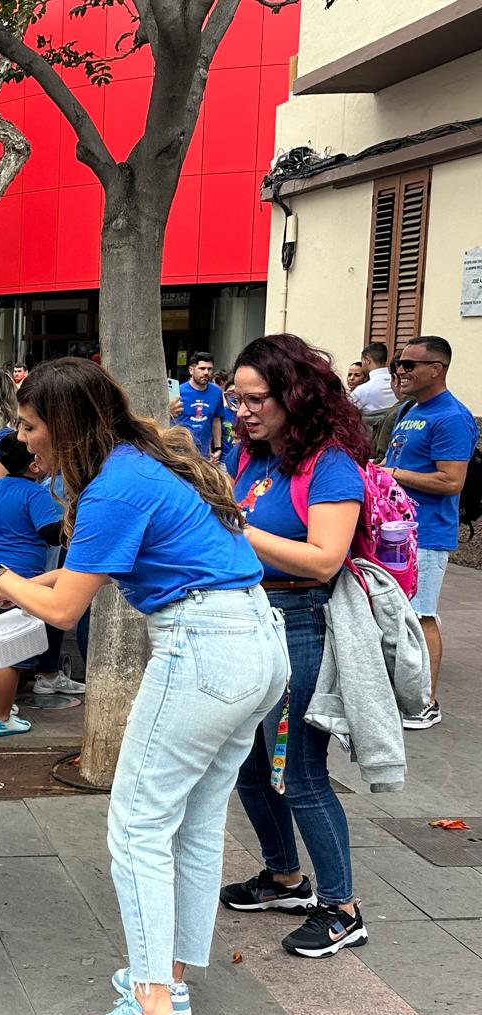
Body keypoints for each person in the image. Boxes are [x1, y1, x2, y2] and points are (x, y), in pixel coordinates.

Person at [0, 357, 287, 1015]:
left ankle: (152, 1010)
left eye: (30, 426)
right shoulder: (142, 465)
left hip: (202, 650)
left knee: (138, 828)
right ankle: (171, 981)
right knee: (195, 824)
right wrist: (14, 582)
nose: (23, 440)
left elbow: (65, 610)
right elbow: (83, 576)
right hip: (255, 644)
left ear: (66, 425)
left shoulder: (111, 488)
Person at [216, 333, 371, 958]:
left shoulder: (330, 465)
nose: (243, 411)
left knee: (301, 770)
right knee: (250, 768)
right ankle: (284, 878)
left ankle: (342, 907)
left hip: (301, 621)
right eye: (237, 398)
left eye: (258, 399)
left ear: (296, 396)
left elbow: (325, 559)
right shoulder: (250, 455)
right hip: (250, 619)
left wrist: (236, 529)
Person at [382, 335, 476, 728]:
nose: (400, 371)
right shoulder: (410, 409)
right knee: (395, 614)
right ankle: (399, 694)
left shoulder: (451, 417)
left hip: (427, 535)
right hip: (395, 530)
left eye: (409, 365)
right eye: (398, 364)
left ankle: (425, 702)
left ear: (436, 369)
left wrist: (393, 473)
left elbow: (451, 481)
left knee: (421, 615)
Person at [0, 434, 63, 737]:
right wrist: (76, 523)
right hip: (21, 581)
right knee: (11, 653)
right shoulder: (36, 494)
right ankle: (1, 717)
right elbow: (50, 534)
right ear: (34, 464)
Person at [176, 352, 223, 459]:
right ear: (191, 370)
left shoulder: (216, 392)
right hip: (180, 454)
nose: (206, 372)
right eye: (202, 368)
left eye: (209, 369)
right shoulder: (179, 392)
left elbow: (216, 420)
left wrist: (218, 447)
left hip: (204, 453)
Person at [351, 342, 397, 421]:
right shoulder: (399, 384)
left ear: (367, 360)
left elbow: (344, 412)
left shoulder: (363, 390)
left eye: (362, 361)